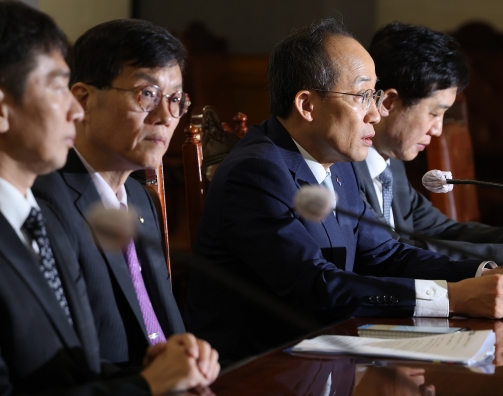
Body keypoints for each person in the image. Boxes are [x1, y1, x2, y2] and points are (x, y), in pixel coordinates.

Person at [0, 0, 219, 395]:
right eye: (57, 89)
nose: (74, 111)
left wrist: (147, 370)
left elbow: (67, 372)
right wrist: (146, 386)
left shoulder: (25, 215)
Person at [184, 19, 503, 362]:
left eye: (375, 95)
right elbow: (316, 286)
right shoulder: (256, 172)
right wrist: (452, 297)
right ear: (307, 105)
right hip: (262, 369)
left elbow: (386, 254)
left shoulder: (340, 164)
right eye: (363, 96)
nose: (375, 115)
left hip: (328, 351)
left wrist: (481, 275)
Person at [33, 19, 189, 367]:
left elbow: (164, 329)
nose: (166, 116)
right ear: (83, 100)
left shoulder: (139, 197)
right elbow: (59, 361)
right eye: (146, 94)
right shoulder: (47, 204)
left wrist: (190, 357)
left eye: (175, 99)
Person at [356, 22, 503, 261]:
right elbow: (393, 254)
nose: (438, 130)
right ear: (389, 103)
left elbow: (444, 230)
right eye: (434, 113)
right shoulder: (344, 167)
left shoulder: (391, 162)